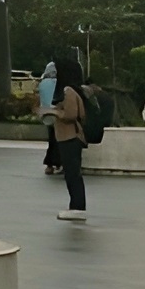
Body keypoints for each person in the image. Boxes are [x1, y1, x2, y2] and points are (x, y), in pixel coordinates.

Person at [46, 59, 89, 221]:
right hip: (67, 137)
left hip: (70, 136)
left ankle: (78, 207)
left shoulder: (68, 91)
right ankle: (75, 206)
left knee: (72, 173)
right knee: (71, 173)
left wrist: (54, 112)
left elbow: (71, 114)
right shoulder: (72, 89)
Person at [38, 62, 60, 175]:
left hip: (46, 115)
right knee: (58, 140)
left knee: (51, 139)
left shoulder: (42, 84)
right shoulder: (58, 83)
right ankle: (57, 163)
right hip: (57, 114)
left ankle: (49, 164)